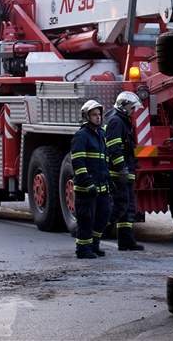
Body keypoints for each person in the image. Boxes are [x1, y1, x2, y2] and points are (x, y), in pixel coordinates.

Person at [70, 100, 111, 259]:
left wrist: (109, 181)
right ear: (87, 116)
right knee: (86, 219)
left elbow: (104, 160)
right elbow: (78, 161)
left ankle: (94, 245)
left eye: (99, 114)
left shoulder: (101, 134)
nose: (98, 117)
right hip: (86, 188)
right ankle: (82, 249)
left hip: (101, 186)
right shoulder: (81, 136)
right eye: (94, 115)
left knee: (103, 216)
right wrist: (87, 182)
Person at [104, 92, 145, 251]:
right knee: (119, 207)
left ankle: (126, 241)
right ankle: (95, 233)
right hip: (118, 173)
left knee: (127, 207)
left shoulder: (121, 120)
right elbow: (114, 147)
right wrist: (121, 169)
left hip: (124, 171)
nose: (133, 111)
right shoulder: (116, 121)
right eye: (131, 108)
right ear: (123, 106)